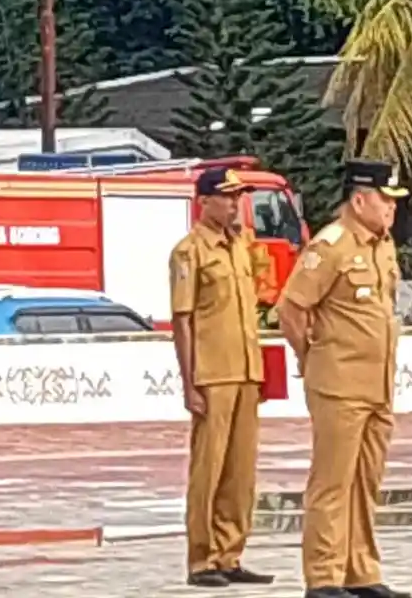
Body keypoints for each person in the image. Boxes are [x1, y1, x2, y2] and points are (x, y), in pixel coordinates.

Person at [277, 159, 411, 598]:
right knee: (332, 482)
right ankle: (324, 577)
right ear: (359, 199)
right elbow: (291, 309)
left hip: (377, 385)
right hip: (338, 384)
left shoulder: (383, 245)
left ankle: (362, 572)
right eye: (385, 200)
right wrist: (311, 357)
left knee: (366, 483)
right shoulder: (330, 245)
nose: (392, 209)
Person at [169, 167, 273, 588]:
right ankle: (201, 559)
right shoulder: (189, 251)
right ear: (204, 201)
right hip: (212, 374)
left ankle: (230, 553)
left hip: (246, 371)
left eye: (239, 197)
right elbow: (183, 320)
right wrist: (189, 382)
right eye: (228, 197)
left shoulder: (241, 247)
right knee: (208, 470)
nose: (235, 204)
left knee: (241, 471)